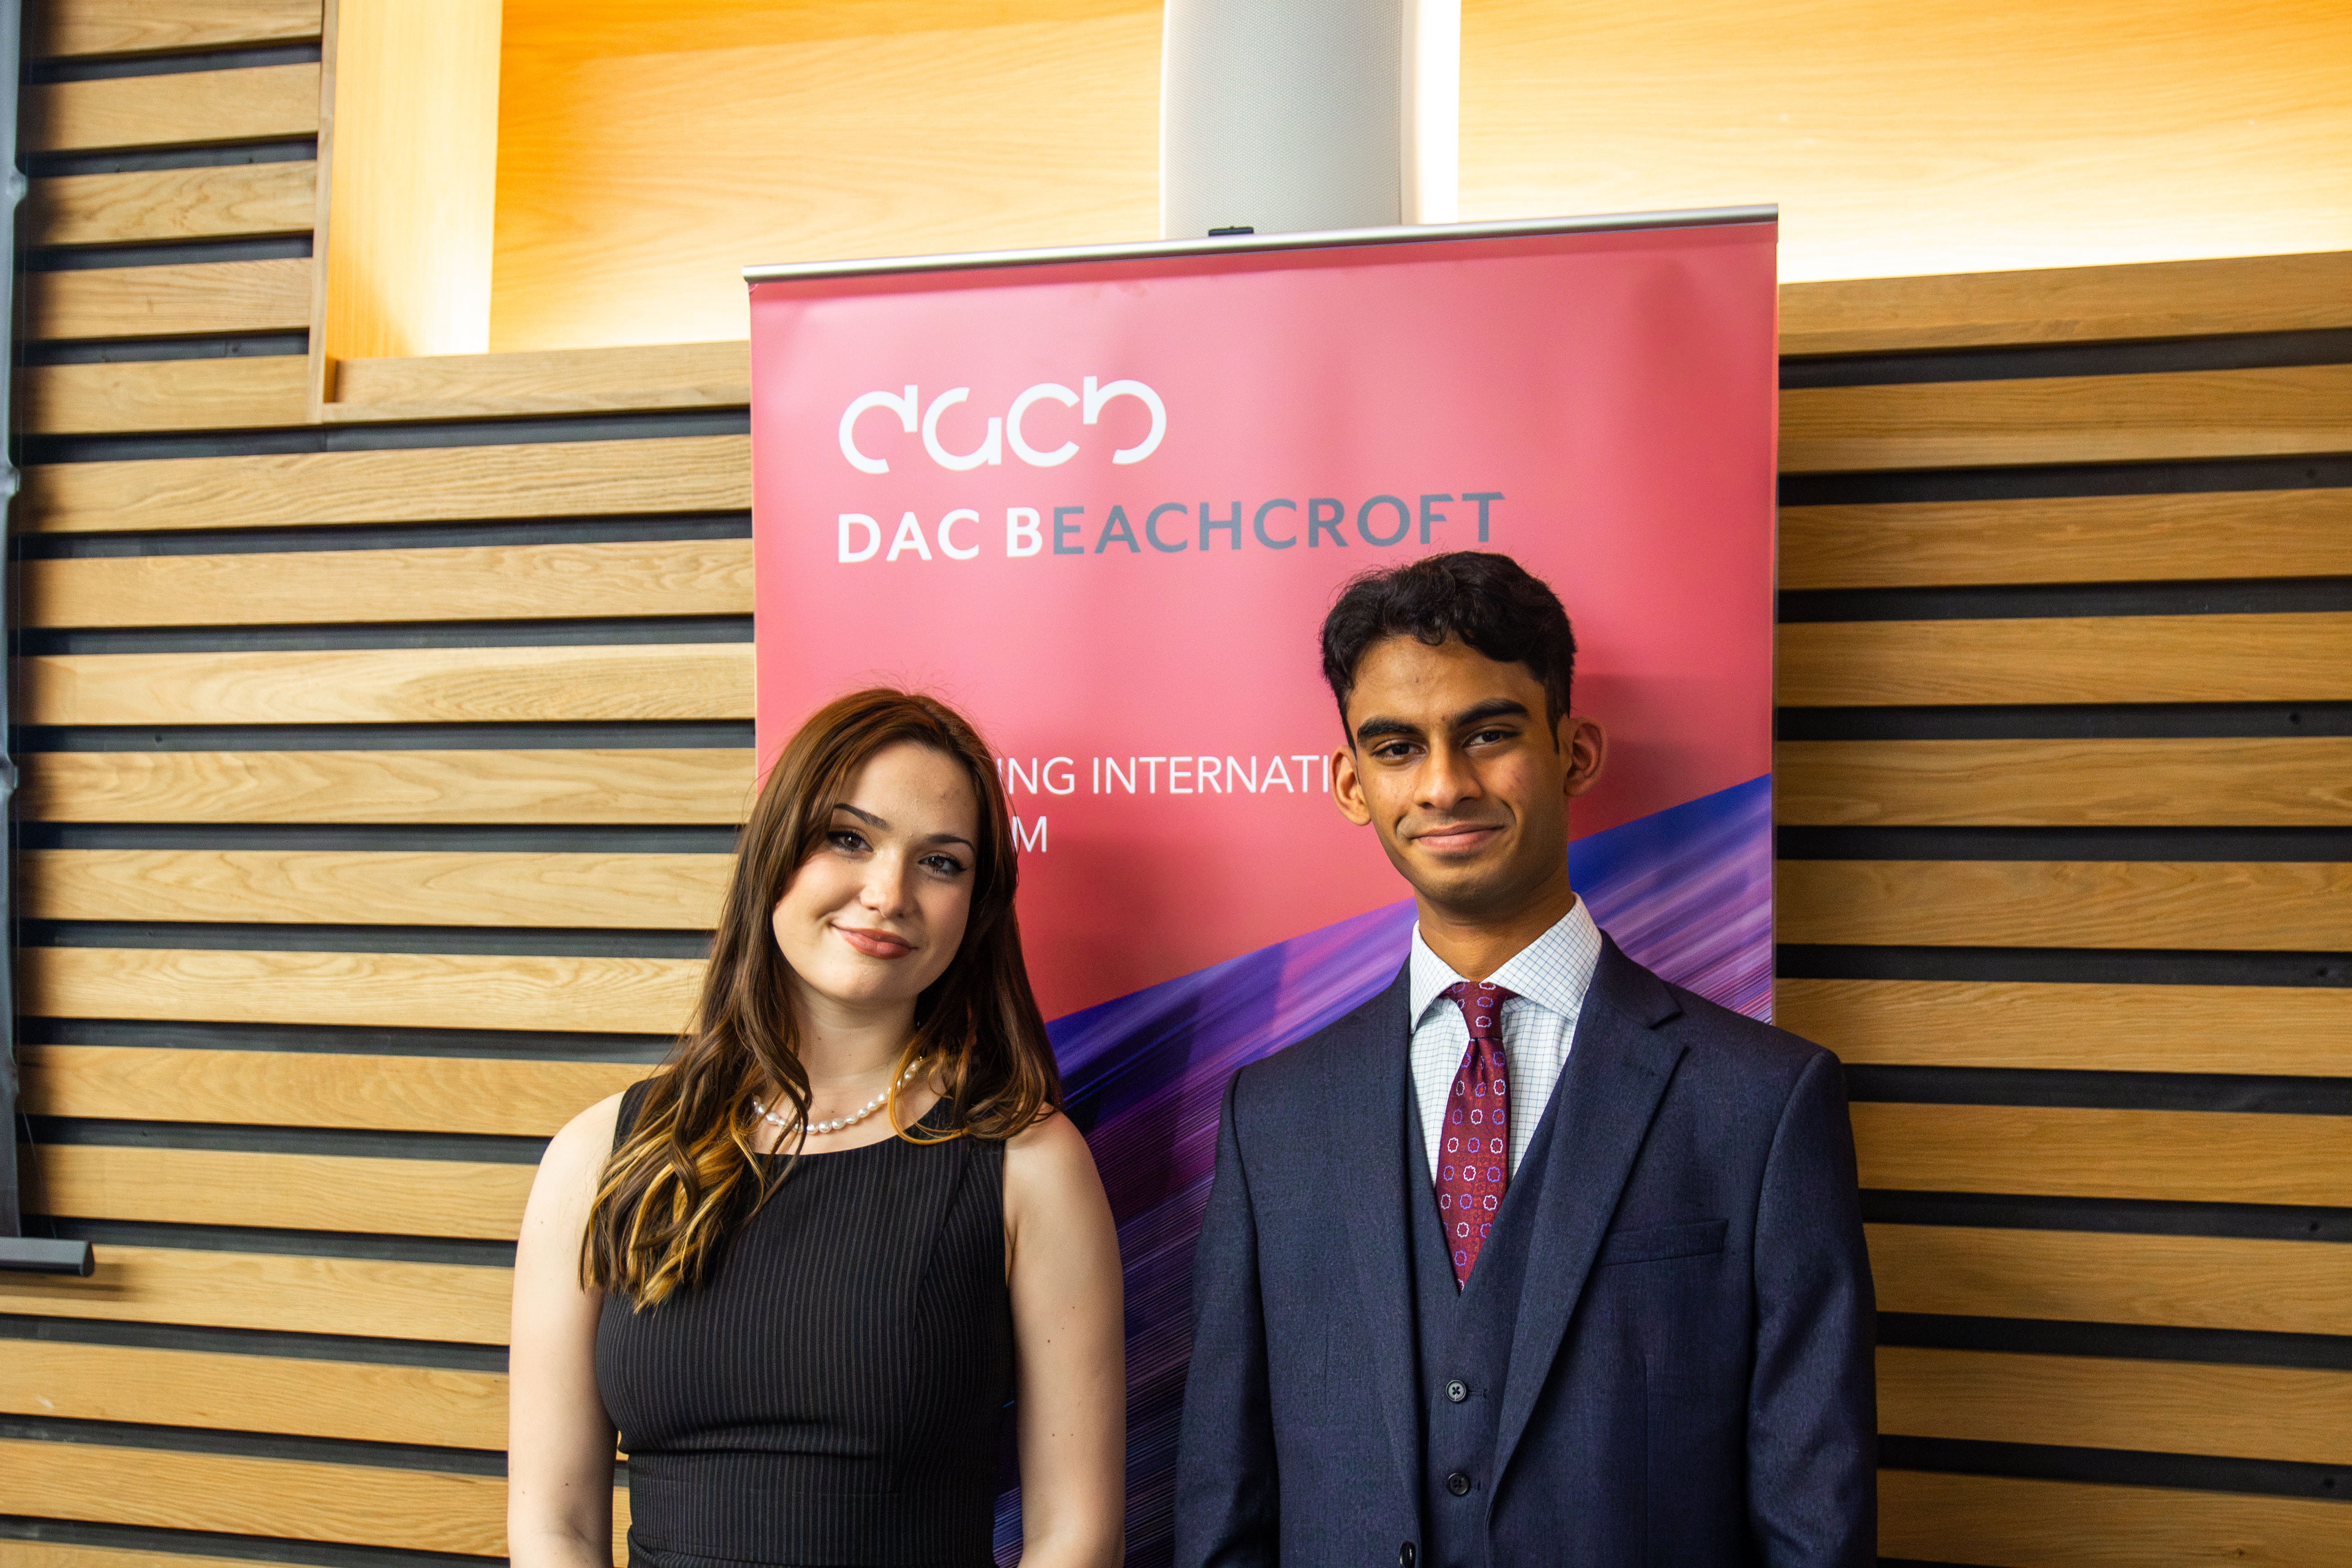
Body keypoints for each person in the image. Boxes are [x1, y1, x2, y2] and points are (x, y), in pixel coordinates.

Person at [1174, 553, 1875, 1568]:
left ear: (1575, 752)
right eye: (1398, 748)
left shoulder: (1763, 1104)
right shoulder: (1271, 1118)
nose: (1445, 786)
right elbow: (1226, 1508)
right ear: (1352, 785)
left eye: (1489, 735)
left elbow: (1816, 1525)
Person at [510, 689, 1127, 1568]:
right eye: (848, 838)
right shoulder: (599, 1156)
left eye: (940, 863)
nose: (888, 894)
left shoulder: (1031, 1164)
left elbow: (1077, 1537)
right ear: (776, 851)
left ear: (977, 906)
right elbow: (554, 1529)